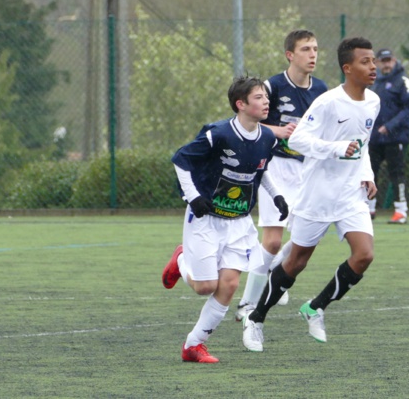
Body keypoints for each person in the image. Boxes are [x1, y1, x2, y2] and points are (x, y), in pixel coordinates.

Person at [241, 37, 380, 352]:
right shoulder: (329, 101)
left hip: (349, 195)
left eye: (373, 61)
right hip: (316, 194)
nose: (372, 67)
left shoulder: (373, 101)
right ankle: (257, 317)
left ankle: (316, 307)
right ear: (348, 68)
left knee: (364, 255)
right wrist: (335, 148)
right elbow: (299, 140)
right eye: (365, 62)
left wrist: (367, 173)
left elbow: (363, 143)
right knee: (296, 262)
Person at [161, 76, 289, 363]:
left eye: (266, 97)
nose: (266, 101)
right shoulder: (218, 133)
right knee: (205, 287)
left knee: (228, 285)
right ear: (240, 104)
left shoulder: (268, 137)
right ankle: (181, 260)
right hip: (206, 219)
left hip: (239, 223)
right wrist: (193, 196)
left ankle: (193, 345)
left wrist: (277, 195)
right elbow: (180, 160)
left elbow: (260, 170)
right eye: (258, 97)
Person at [234, 29, 329, 322]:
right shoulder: (272, 86)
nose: (312, 54)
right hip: (275, 167)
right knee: (273, 241)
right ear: (290, 55)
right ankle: (247, 304)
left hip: (307, 171)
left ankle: (273, 271)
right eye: (305, 49)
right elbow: (249, 122)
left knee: (304, 238)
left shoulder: (322, 90)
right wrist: (279, 131)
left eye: (315, 49)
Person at [367, 48, 409, 224]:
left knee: (396, 174)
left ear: (394, 61)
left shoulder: (403, 82)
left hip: (395, 138)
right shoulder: (374, 82)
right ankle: (369, 209)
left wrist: (389, 126)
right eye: (383, 61)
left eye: (389, 60)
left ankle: (400, 211)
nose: (386, 64)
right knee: (369, 173)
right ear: (378, 63)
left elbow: (408, 108)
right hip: (374, 138)